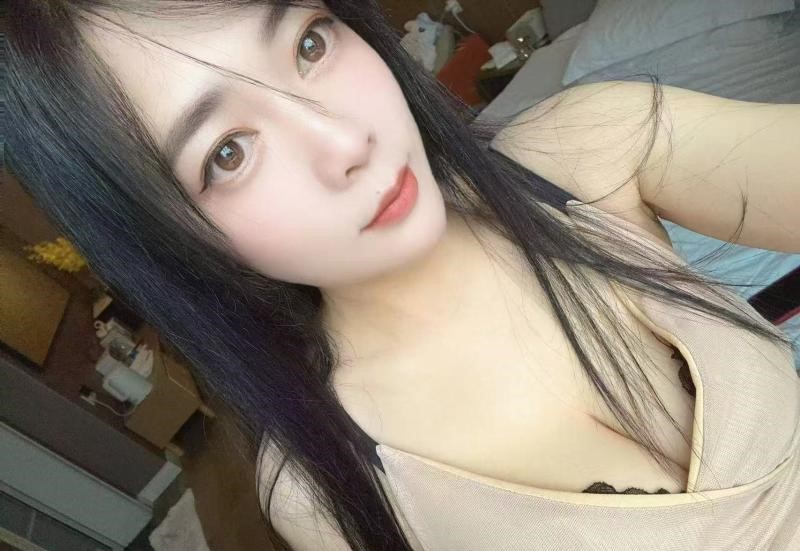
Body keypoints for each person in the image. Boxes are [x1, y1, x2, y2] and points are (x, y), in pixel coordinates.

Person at [7, 1, 799, 550]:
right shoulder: (325, 487)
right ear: (172, 237)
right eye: (228, 152)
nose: (345, 140)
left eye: (309, 45)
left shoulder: (597, 145)